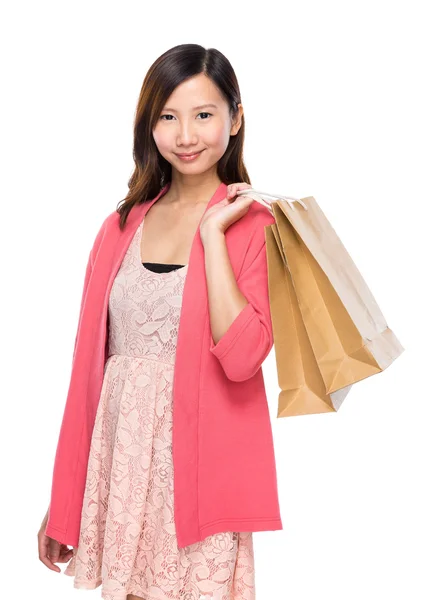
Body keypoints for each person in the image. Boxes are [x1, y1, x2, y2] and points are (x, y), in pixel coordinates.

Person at [38, 43, 282, 600]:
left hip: (203, 479)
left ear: (235, 118)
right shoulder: (118, 228)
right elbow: (88, 378)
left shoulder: (257, 226)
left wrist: (213, 237)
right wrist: (65, 498)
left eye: (203, 114)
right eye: (168, 117)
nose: (186, 135)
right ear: (149, 126)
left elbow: (243, 358)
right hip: (120, 475)